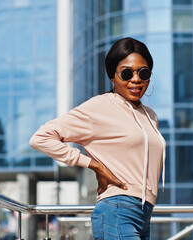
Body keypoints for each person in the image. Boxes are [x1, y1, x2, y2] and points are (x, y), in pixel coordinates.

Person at [29, 37, 166, 240]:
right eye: (127, 73)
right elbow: (41, 138)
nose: (136, 79)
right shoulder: (100, 107)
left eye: (143, 73)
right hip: (117, 210)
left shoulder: (150, 115)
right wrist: (94, 165)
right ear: (113, 76)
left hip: (145, 212)